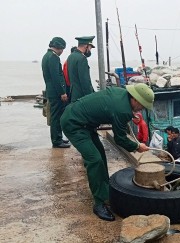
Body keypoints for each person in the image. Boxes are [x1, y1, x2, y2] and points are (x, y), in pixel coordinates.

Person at [60, 83, 154, 221]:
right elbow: (120, 139)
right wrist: (137, 147)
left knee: (101, 155)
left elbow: (111, 108)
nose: (143, 109)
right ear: (135, 99)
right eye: (142, 105)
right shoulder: (122, 111)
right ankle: (99, 203)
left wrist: (127, 116)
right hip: (74, 124)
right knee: (94, 160)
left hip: (85, 122)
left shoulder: (122, 94)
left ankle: (104, 191)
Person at [41, 37, 70, 148]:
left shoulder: (46, 56)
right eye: (62, 49)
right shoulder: (53, 57)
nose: (62, 51)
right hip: (56, 92)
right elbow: (56, 77)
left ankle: (58, 138)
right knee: (56, 117)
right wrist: (62, 92)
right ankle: (57, 141)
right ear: (59, 47)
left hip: (51, 91)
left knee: (55, 116)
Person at [67, 36, 95, 102]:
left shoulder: (71, 56)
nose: (90, 50)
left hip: (73, 95)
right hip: (81, 97)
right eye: (90, 48)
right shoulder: (82, 58)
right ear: (86, 46)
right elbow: (85, 81)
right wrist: (90, 96)